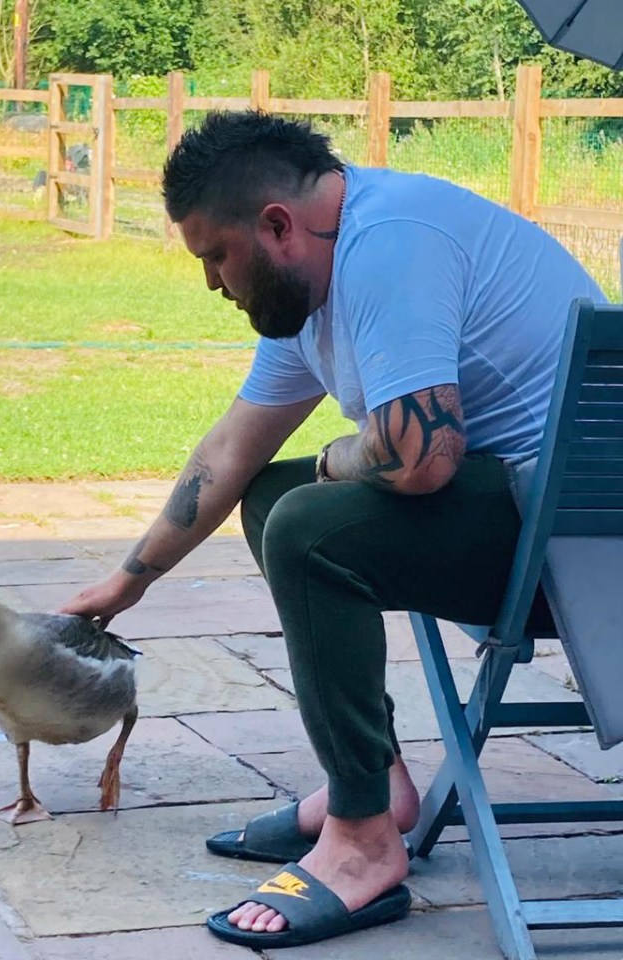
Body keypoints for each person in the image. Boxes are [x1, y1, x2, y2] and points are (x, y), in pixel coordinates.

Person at [60, 110, 605, 949]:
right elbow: (234, 450)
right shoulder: (309, 287)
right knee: (274, 497)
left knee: (309, 523)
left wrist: (334, 461)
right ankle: (372, 784)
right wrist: (132, 579)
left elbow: (422, 459)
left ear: (277, 225)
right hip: (543, 522)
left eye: (215, 256)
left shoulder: (388, 246)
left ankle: (361, 845)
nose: (211, 281)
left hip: (587, 558)